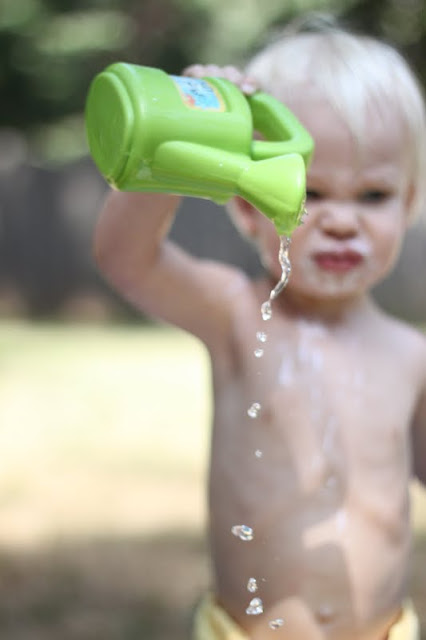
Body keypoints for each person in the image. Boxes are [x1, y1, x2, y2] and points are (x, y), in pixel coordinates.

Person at [93, 13, 426, 640]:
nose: (341, 221)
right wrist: (181, 135)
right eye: (310, 192)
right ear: (247, 204)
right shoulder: (237, 316)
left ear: (409, 202)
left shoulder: (412, 355)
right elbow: (124, 257)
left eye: (373, 196)